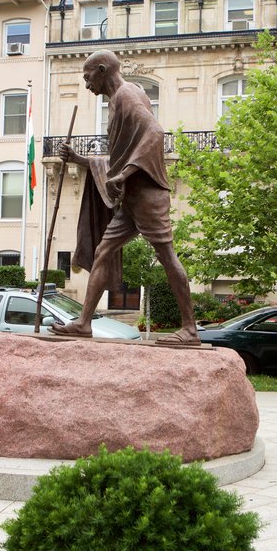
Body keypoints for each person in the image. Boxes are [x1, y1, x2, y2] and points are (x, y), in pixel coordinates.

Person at [53, 50, 199, 346]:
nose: (86, 84)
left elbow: (155, 133)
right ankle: (84, 323)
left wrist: (126, 173)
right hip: (131, 197)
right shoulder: (120, 99)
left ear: (102, 70)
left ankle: (190, 329)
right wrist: (81, 160)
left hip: (146, 193)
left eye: (87, 77)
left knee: (166, 256)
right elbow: (120, 156)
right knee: (103, 252)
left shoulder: (126, 95)